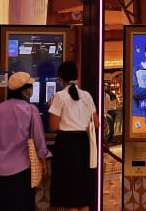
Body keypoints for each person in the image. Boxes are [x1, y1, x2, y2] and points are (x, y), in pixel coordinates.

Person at [0, 71, 51, 211]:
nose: (31, 90)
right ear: (24, 91)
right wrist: (43, 159)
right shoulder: (30, 110)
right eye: (30, 87)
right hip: (21, 169)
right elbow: (39, 139)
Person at [48, 62, 99, 211]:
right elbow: (96, 123)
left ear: (60, 79)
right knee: (82, 192)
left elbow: (54, 126)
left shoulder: (59, 96)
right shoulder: (87, 96)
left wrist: (50, 107)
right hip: (83, 145)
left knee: (69, 193)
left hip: (65, 146)